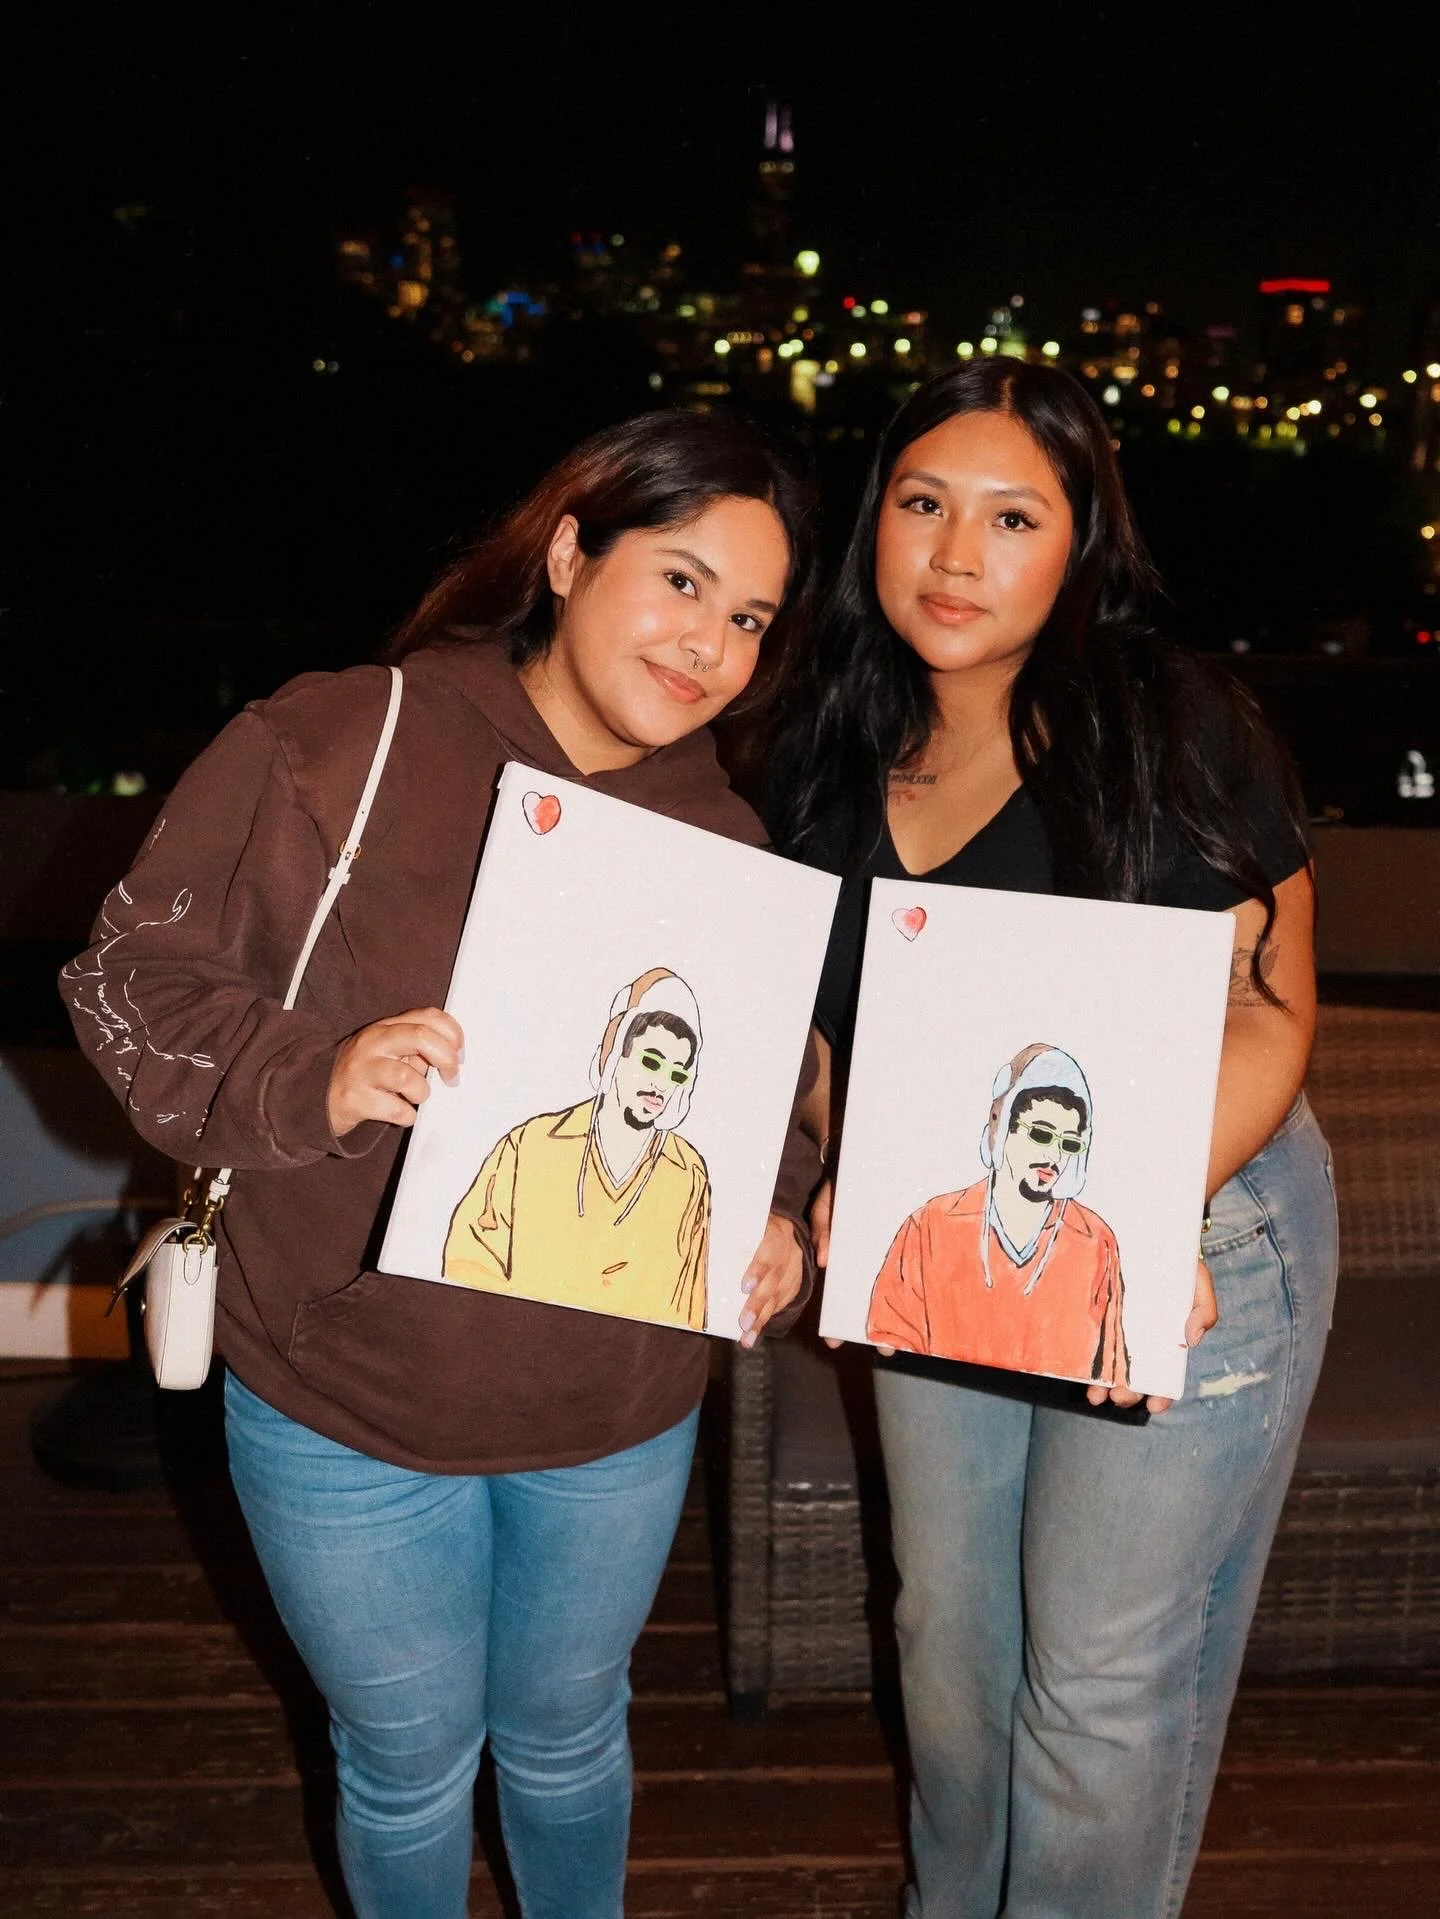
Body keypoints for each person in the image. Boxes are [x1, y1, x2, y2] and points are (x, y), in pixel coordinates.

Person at [62, 409, 822, 1919]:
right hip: (350, 1402)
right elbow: (129, 980)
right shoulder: (347, 739)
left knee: (571, 1734)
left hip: (614, 1410)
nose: (709, 643)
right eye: (680, 580)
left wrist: (782, 1215)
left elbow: (773, 1093)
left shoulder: (726, 833)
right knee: (406, 1763)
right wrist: (319, 1072)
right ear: (570, 552)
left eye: (749, 617)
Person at [765, 361, 1337, 1919]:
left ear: (1082, 541)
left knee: (1096, 1673)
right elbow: (827, 1036)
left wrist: (1141, 1212)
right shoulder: (828, 739)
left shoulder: (1169, 720)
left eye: (1013, 517)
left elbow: (1272, 1009)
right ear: (874, 521)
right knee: (947, 1636)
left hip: (1196, 1213)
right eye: (923, 503)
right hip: (953, 1220)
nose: (957, 554)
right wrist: (850, 1162)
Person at [443, 966, 712, 1328]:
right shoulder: (530, 1146)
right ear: (614, 1054)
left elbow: (690, 1309)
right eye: (651, 1062)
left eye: (676, 1074)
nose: (661, 1085)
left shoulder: (688, 1175)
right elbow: (468, 1262)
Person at [867, 1042, 1127, 1387]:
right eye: (1041, 1134)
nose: (1054, 1157)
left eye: (1068, 1143)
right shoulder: (931, 1226)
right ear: (1001, 1126)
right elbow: (891, 1333)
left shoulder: (1095, 1242)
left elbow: (1111, 1367)